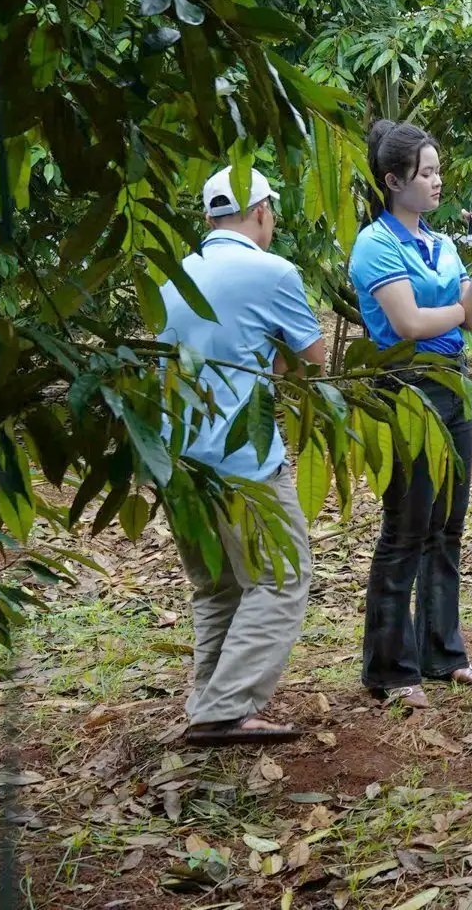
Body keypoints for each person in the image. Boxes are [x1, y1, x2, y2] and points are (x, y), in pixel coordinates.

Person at [158, 166, 325, 745]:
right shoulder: (272, 271)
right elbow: (313, 357)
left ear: (210, 217)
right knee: (281, 579)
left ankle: (207, 699)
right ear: (259, 211)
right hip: (242, 461)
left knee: (219, 587)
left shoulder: (171, 275)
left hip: (177, 459)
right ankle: (225, 709)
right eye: (272, 211)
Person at [349, 119, 472, 709]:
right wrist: (454, 313)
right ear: (393, 180)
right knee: (406, 526)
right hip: (403, 388)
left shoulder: (437, 243)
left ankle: (443, 651)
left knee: (447, 524)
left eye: (438, 171)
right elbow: (407, 326)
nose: (438, 182)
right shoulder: (375, 243)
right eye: (427, 172)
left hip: (451, 386)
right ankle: (390, 668)